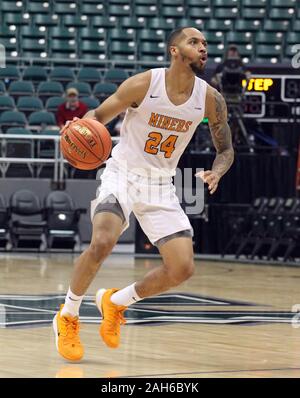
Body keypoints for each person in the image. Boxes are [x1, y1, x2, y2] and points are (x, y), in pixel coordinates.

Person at [53, 27, 234, 361]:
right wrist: (78, 129)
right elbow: (98, 117)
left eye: (206, 44)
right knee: (103, 241)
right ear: (174, 51)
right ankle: (68, 315)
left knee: (182, 268)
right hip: (122, 172)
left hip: (160, 184)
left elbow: (226, 149)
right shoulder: (144, 84)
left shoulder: (210, 97)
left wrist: (217, 170)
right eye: (194, 43)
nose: (203, 48)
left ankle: (115, 302)